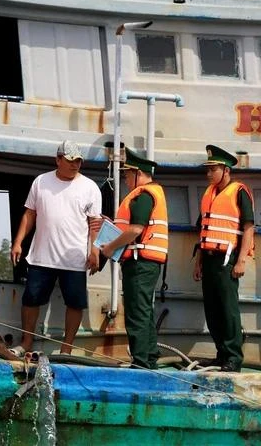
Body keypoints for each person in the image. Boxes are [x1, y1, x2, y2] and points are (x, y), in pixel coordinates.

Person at [10, 140, 102, 355]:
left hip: (75, 259)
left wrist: (94, 249)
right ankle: (26, 343)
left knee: (75, 303)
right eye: (70, 161)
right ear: (58, 159)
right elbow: (30, 214)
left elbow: (94, 223)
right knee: (31, 299)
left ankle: (66, 349)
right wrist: (17, 242)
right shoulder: (41, 182)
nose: (75, 165)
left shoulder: (90, 187)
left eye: (78, 161)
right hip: (42, 256)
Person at [99, 147, 168, 370]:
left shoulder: (143, 196)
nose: (126, 179)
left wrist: (109, 247)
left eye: (128, 174)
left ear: (138, 173)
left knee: (137, 312)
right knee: (144, 310)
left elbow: (136, 229)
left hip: (140, 262)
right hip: (146, 261)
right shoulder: (152, 194)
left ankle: (141, 361)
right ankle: (149, 357)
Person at [192, 145, 255, 373]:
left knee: (228, 309)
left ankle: (233, 358)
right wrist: (198, 261)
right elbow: (203, 230)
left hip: (227, 259)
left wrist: (241, 261)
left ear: (225, 170)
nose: (208, 174)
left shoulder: (239, 192)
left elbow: (248, 227)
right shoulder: (209, 194)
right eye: (207, 170)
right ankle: (221, 354)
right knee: (212, 309)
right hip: (208, 258)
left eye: (212, 169)